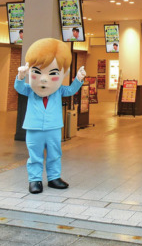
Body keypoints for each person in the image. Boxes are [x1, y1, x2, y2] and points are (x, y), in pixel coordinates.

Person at [14, 38, 87, 194]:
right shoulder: (30, 90)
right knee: (35, 155)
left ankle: (54, 178)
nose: (44, 79)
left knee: (55, 154)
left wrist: (78, 79)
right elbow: (19, 88)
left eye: (53, 73)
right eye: (37, 72)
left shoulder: (58, 91)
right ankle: (35, 180)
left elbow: (70, 90)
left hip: (53, 127)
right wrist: (20, 76)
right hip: (33, 127)